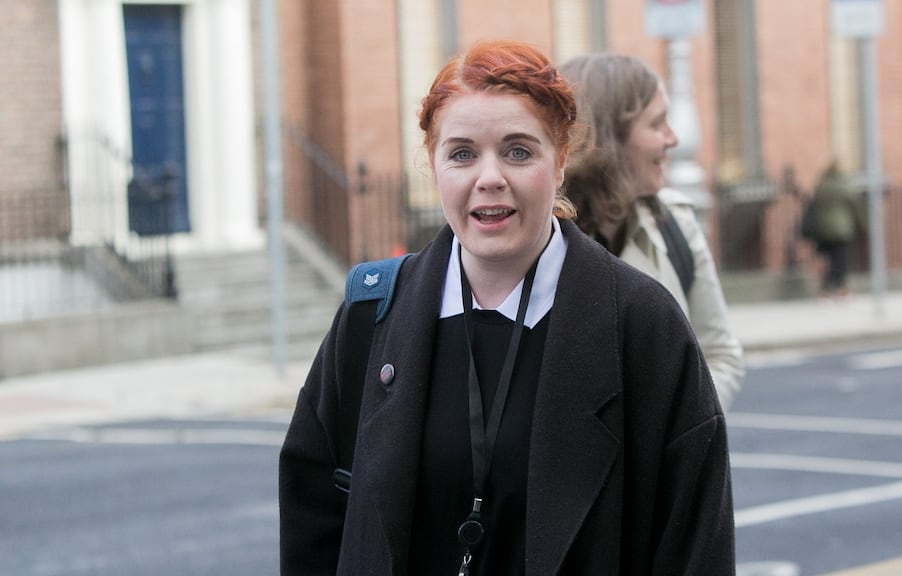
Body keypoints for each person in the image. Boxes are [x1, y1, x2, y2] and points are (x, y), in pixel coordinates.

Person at [279, 40, 734, 575]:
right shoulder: (371, 312)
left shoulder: (643, 323)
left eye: (518, 151)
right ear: (434, 164)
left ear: (561, 159)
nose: (488, 177)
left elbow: (692, 542)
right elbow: (313, 514)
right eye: (462, 153)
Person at [560, 53, 745, 411]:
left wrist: (681, 434)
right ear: (610, 137)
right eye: (657, 123)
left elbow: (720, 355)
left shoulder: (676, 224)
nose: (673, 139)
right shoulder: (541, 243)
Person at [809, 160, 861, 299]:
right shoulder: (842, 185)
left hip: (822, 230)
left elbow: (813, 206)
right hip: (840, 229)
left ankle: (828, 289)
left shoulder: (821, 186)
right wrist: (862, 222)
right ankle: (838, 288)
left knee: (829, 260)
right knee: (840, 260)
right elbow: (854, 203)